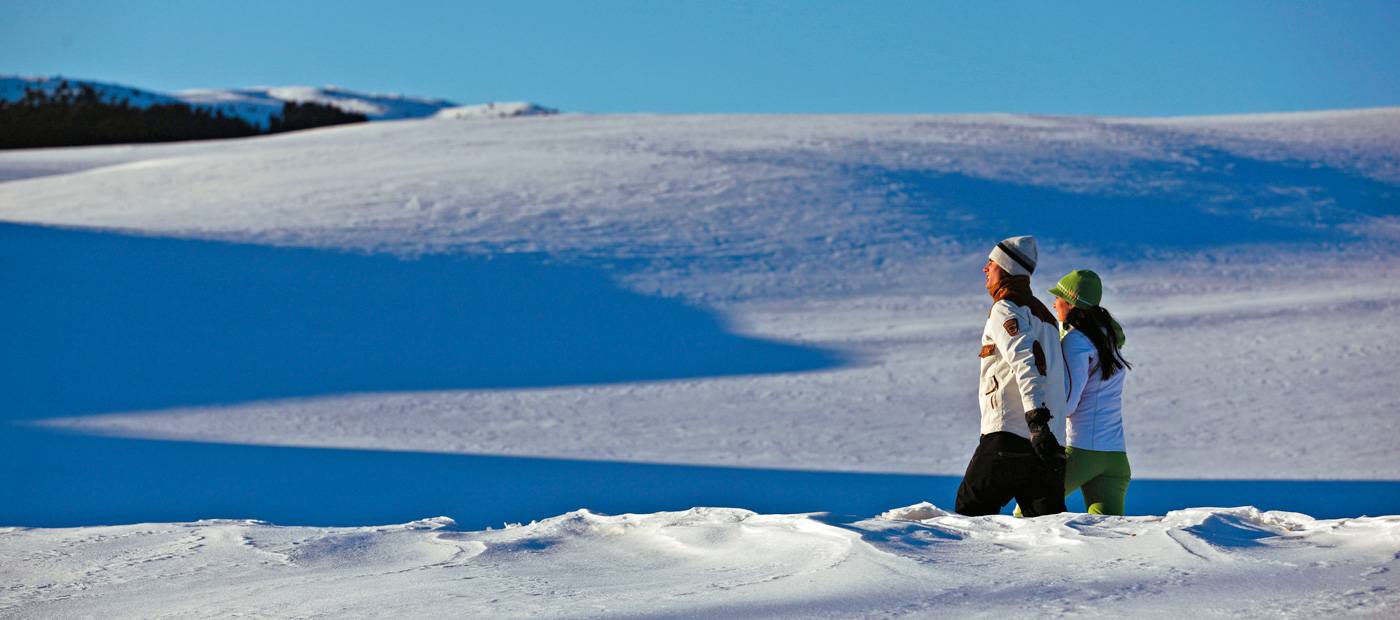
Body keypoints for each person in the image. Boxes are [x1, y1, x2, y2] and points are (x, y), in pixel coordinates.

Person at [955, 235, 1069, 517]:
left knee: (970, 513)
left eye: (990, 263)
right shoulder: (1046, 317)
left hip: (1011, 434)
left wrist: (1036, 419)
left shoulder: (1006, 308)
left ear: (1005, 268)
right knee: (1046, 529)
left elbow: (1025, 360)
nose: (985, 269)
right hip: (1048, 444)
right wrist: (1046, 431)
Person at [1048, 269, 1132, 515]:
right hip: (1115, 457)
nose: (1054, 303)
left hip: (1082, 451)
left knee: (1026, 514)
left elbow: (1067, 403)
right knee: (1108, 539)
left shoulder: (1076, 341)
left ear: (1071, 303)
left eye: (1058, 298)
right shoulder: (1109, 339)